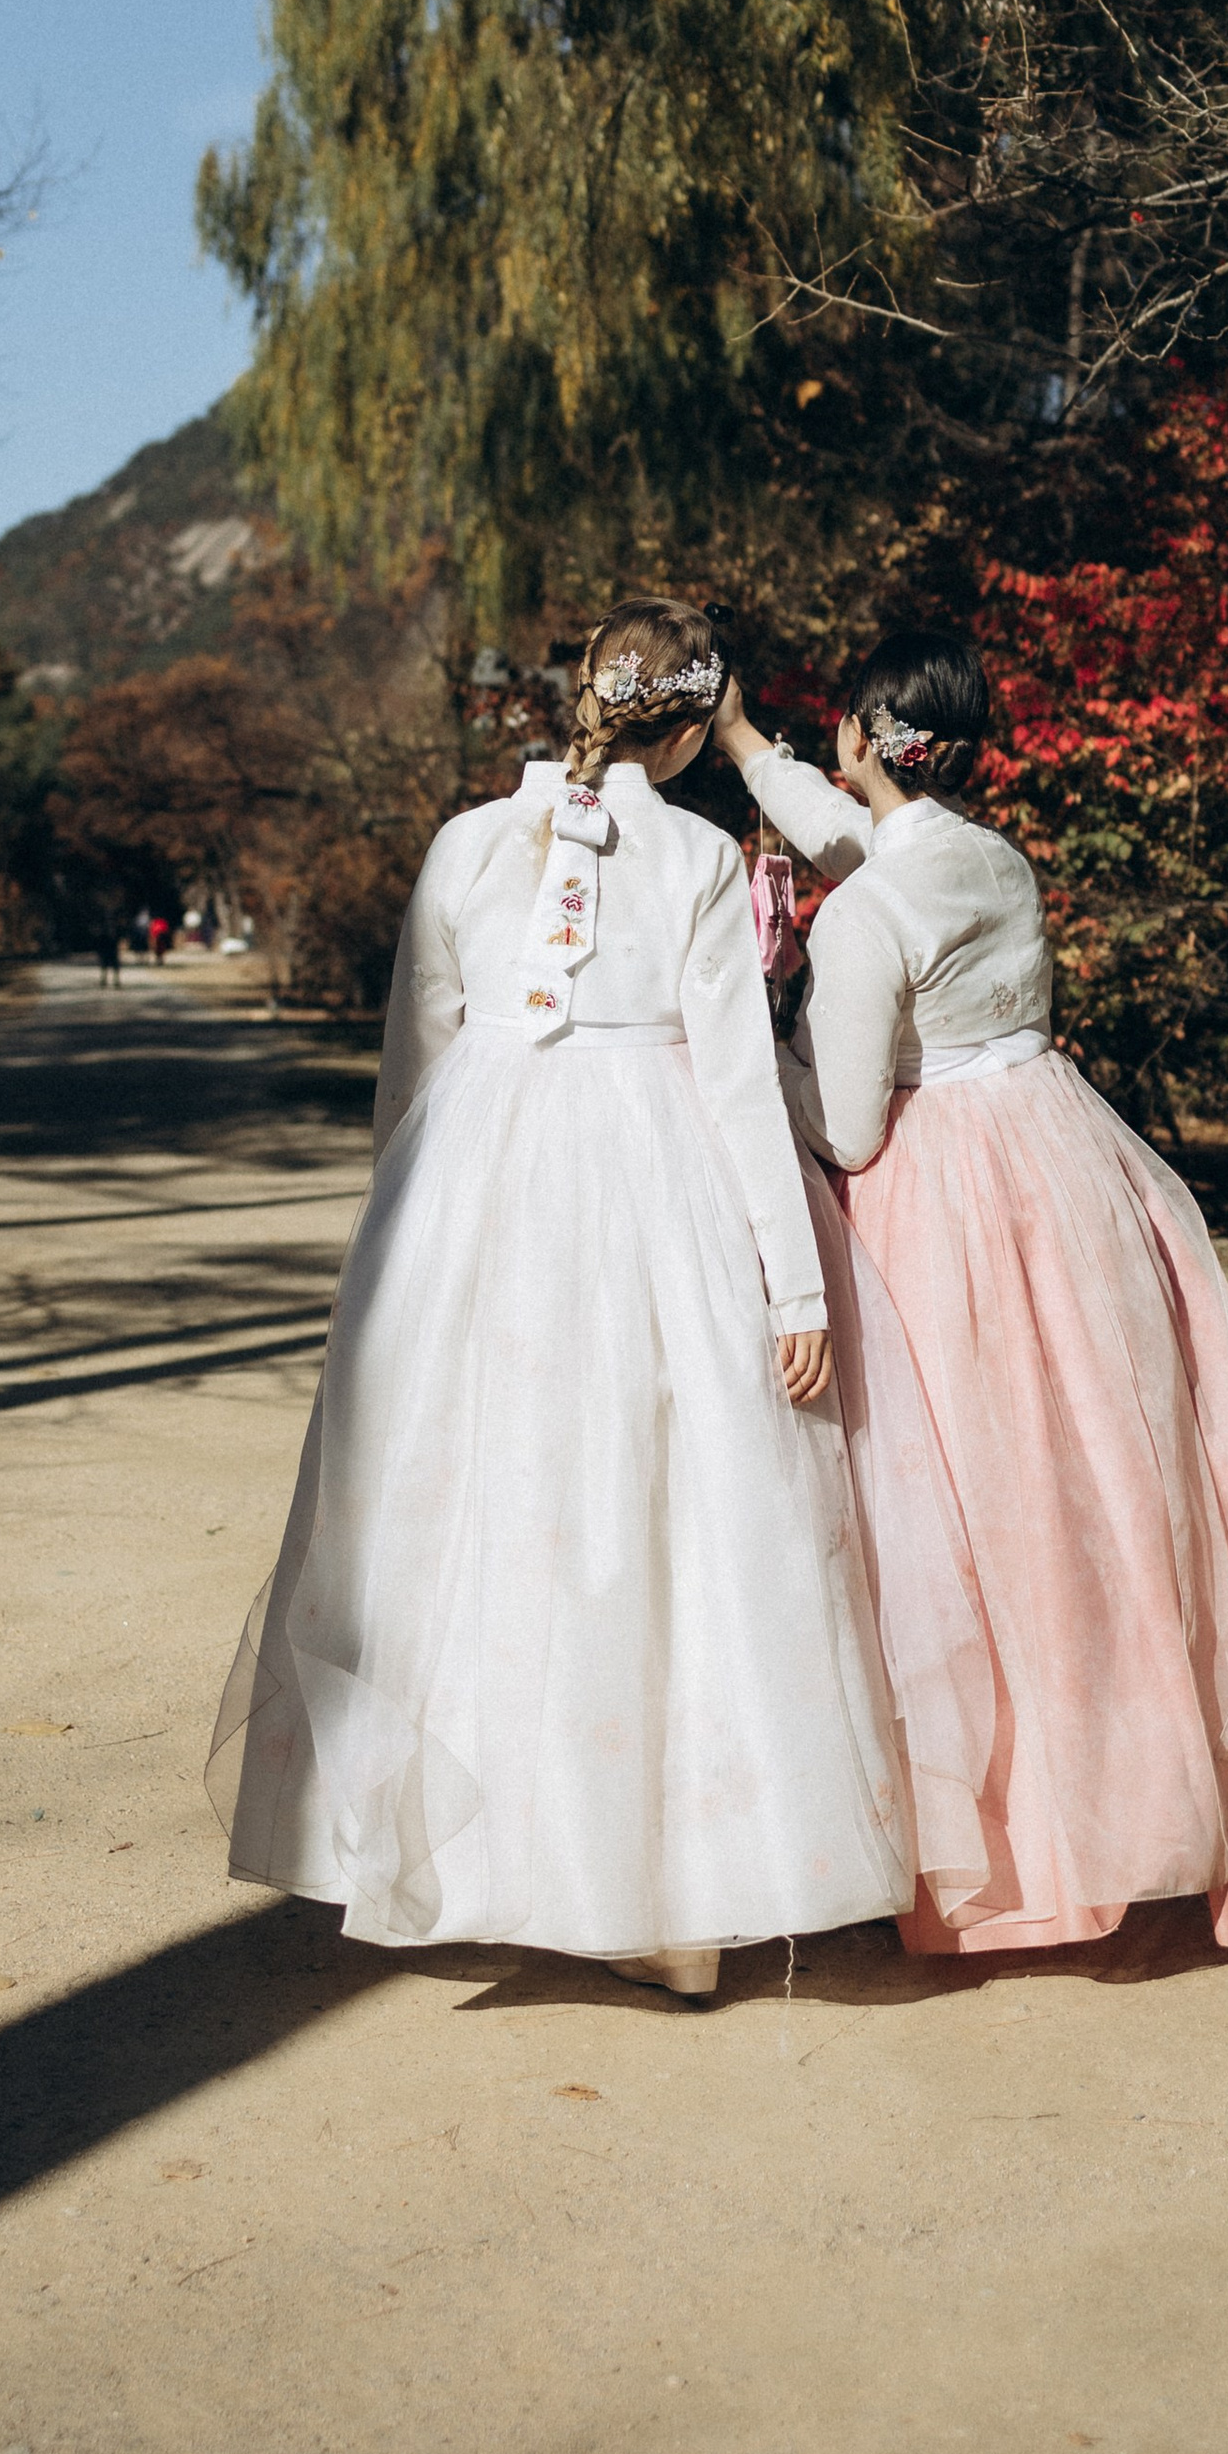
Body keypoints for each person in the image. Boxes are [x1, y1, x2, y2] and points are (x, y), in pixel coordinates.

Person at [212, 598, 910, 1998]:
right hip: (659, 1200)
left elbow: (412, 1066)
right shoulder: (706, 857)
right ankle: (675, 1894)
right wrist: (790, 1285)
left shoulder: (467, 845)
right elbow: (728, 1082)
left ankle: (469, 1862)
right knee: (665, 1519)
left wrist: (395, 1243)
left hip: (470, 1198)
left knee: (475, 1517)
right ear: (687, 725)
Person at [712, 629, 1228, 1957]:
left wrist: (759, 1065)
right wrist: (752, 745)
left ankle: (1025, 1836)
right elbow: (856, 840)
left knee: (973, 1504)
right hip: (1065, 1158)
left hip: (948, 1198)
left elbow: (850, 1131)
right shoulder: (997, 862)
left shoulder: (861, 912)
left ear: (863, 735)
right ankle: (1151, 1787)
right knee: (1105, 1483)